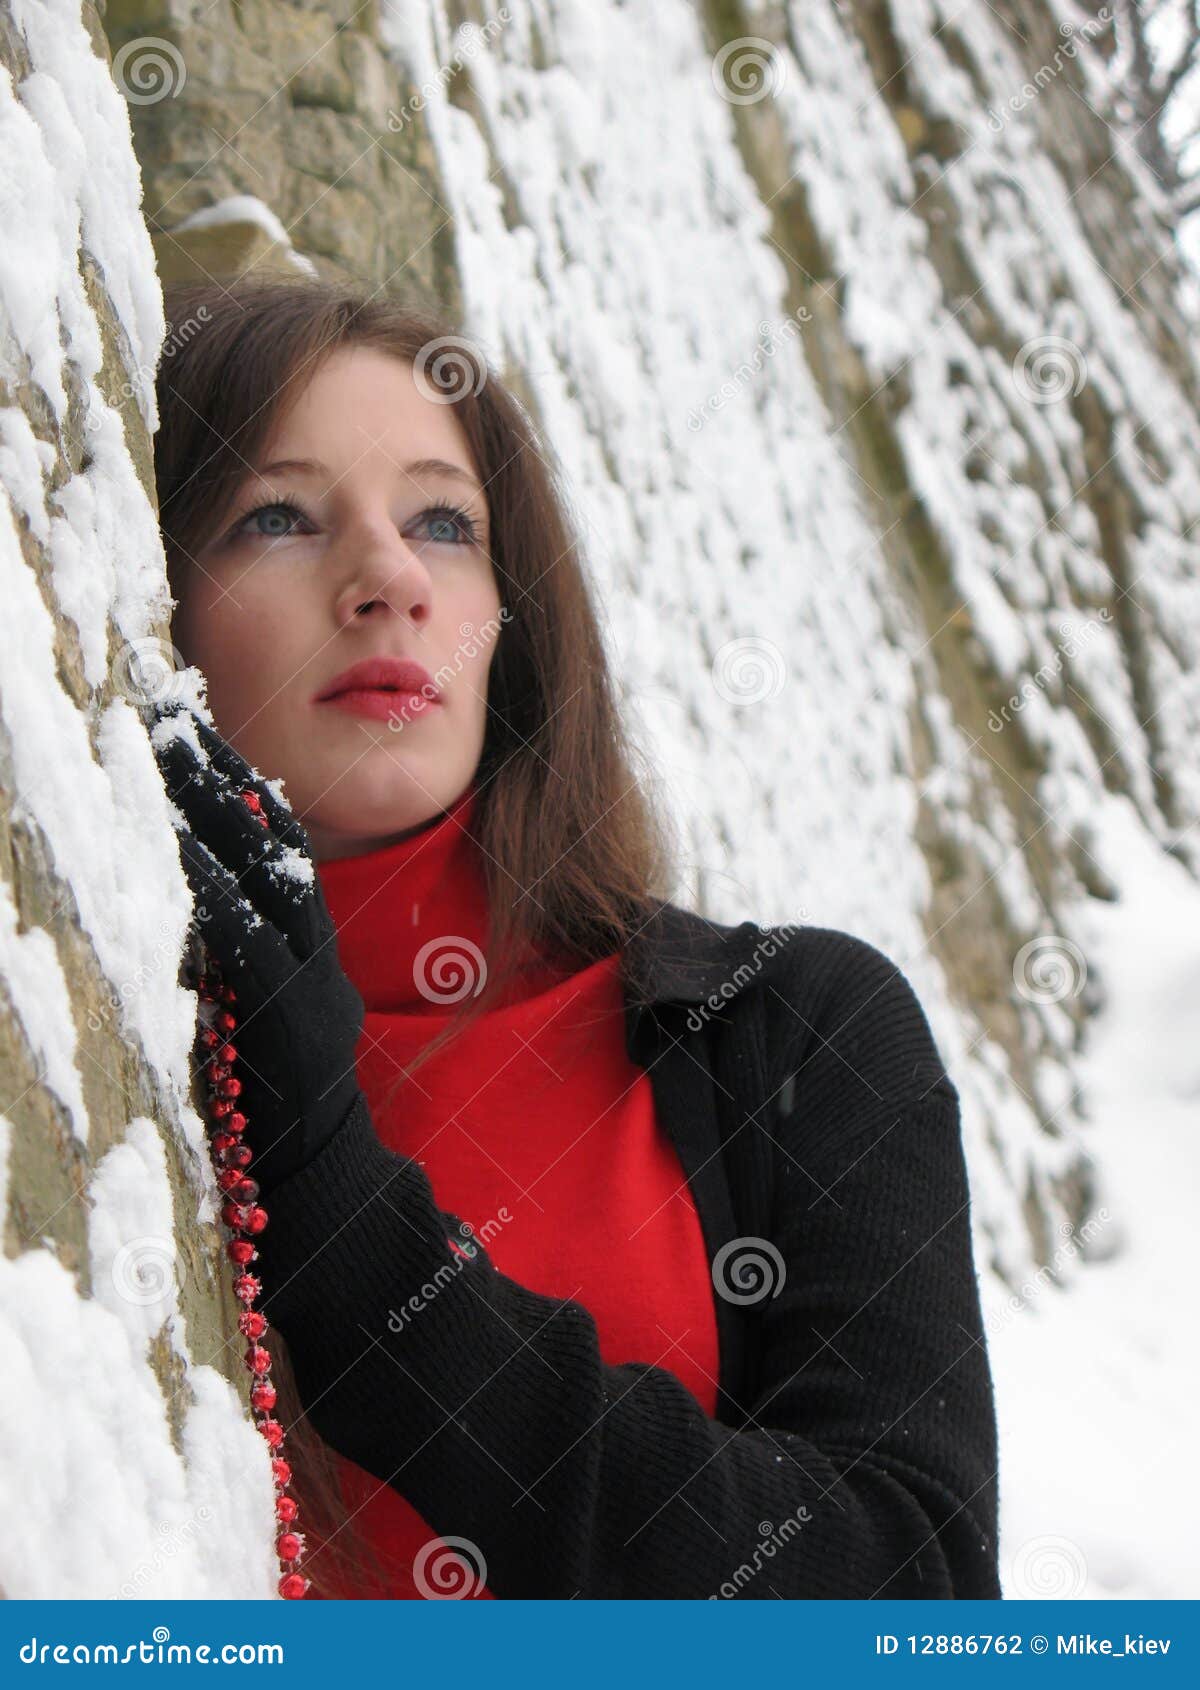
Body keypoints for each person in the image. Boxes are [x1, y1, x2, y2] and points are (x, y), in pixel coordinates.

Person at [150, 274, 1002, 1600]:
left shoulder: (793, 1027)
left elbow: (909, 1589)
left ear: (514, 613)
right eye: (277, 515)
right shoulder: (125, 1042)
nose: (385, 576)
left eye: (442, 520)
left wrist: (354, 1241)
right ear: (158, 610)